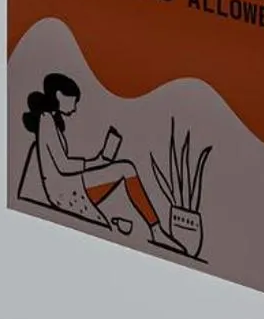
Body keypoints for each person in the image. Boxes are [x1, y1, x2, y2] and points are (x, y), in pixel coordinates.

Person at [22, 73, 183, 251]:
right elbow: (63, 166)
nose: (75, 107)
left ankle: (155, 229)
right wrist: (96, 161)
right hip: (65, 191)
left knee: (125, 168)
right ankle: (156, 230)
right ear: (59, 96)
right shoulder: (46, 121)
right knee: (126, 169)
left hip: (69, 184)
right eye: (73, 101)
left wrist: (100, 161)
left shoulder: (51, 120)